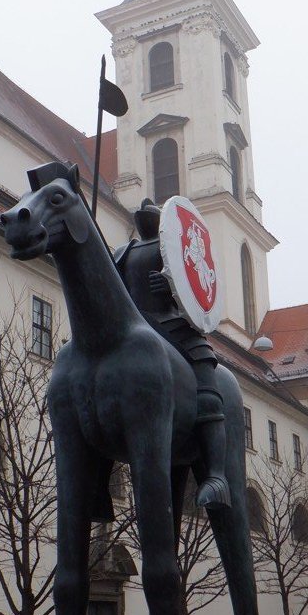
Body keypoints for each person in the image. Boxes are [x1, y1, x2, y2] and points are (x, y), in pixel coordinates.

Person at [115, 199, 231, 509]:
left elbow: (194, 285)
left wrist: (170, 287)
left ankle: (216, 474)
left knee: (206, 374)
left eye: (150, 208)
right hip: (133, 329)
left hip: (173, 325)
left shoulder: (176, 248)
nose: (143, 210)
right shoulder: (123, 252)